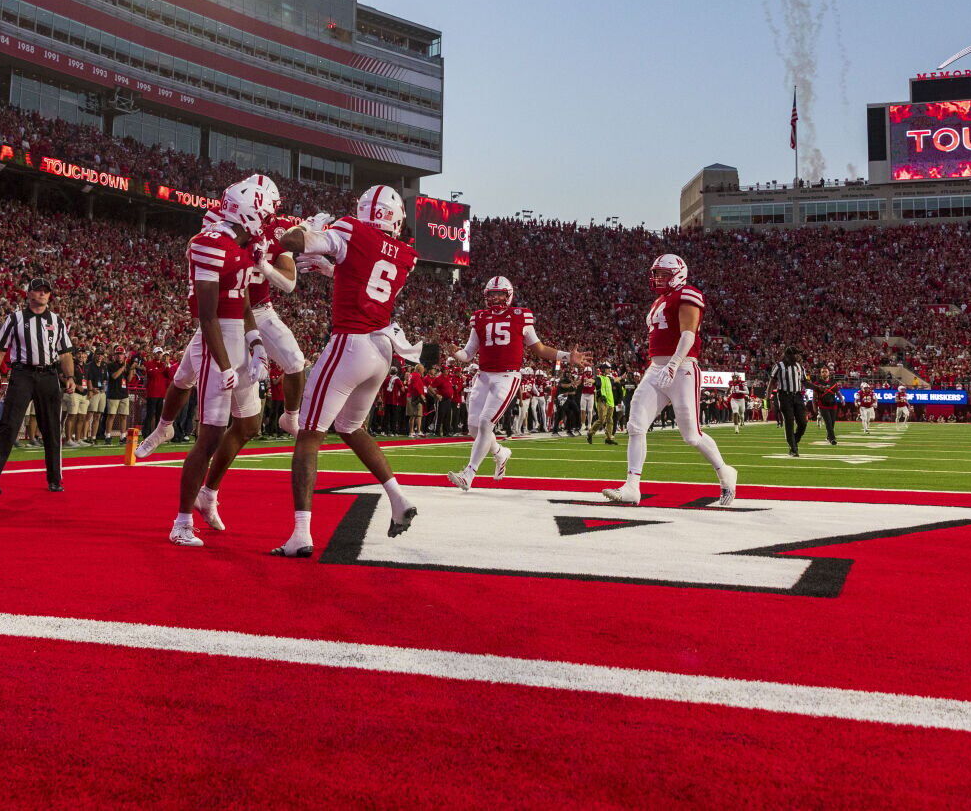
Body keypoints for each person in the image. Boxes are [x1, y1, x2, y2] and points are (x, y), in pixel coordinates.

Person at [272, 185, 421, 557]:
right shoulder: (407, 255)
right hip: (381, 350)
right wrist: (331, 267)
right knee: (351, 427)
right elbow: (367, 280)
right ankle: (398, 498)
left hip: (350, 342)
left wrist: (307, 227)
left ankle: (301, 535)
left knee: (308, 434)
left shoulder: (352, 229)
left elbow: (291, 241)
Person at [148, 182, 266, 547]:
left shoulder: (241, 245)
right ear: (248, 213)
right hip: (217, 337)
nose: (266, 220)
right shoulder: (211, 243)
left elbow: (241, 299)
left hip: (235, 335)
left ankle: (208, 493)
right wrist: (225, 363)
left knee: (249, 424)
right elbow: (208, 314)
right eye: (263, 213)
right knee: (211, 433)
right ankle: (181, 522)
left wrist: (255, 341)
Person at [599, 255, 737, 506]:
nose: (658, 279)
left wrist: (673, 364)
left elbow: (688, 334)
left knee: (691, 435)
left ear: (678, 274)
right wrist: (662, 365)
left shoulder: (688, 294)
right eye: (656, 274)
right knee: (636, 424)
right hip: (656, 368)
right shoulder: (659, 301)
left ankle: (725, 472)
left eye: (663, 274)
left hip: (682, 368)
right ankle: (632, 487)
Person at [445, 275, 586, 490]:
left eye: (500, 294)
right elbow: (469, 353)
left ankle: (469, 474)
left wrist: (568, 356)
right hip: (483, 376)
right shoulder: (479, 317)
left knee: (485, 423)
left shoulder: (521, 316)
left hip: (507, 376)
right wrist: (457, 354)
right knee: (474, 427)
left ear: (508, 295)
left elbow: (540, 349)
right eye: (492, 295)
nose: (495, 298)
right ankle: (500, 452)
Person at [0, 278, 76, 494]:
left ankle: (55, 479)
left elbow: (65, 352)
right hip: (22, 374)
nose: (42, 294)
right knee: (9, 425)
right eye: (38, 290)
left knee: (52, 428)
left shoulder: (57, 321)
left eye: (46, 291)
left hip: (49, 375)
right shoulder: (15, 318)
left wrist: (70, 376)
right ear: (29, 293)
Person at [234, 175, 310, 435]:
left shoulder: (279, 230)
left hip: (261, 310)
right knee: (196, 377)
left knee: (296, 361)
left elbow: (288, 284)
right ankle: (167, 425)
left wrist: (263, 265)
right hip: (229, 312)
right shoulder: (232, 226)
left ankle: (291, 417)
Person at [767, 349, 808, 457]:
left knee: (803, 422)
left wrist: (818, 388)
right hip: (784, 396)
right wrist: (767, 398)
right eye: (796, 354)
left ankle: (793, 440)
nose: (798, 357)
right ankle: (793, 448)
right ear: (789, 355)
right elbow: (771, 383)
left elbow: (805, 382)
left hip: (797, 396)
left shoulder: (800, 367)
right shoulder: (779, 366)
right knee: (789, 421)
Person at [812, 363, 841, 446]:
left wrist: (842, 399)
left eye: (826, 371)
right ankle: (832, 439)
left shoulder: (833, 382)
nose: (824, 373)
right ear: (820, 374)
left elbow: (837, 392)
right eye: (822, 372)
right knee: (828, 422)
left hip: (833, 404)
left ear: (829, 373)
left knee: (832, 423)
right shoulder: (817, 383)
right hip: (823, 405)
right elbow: (814, 396)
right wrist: (814, 406)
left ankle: (829, 436)